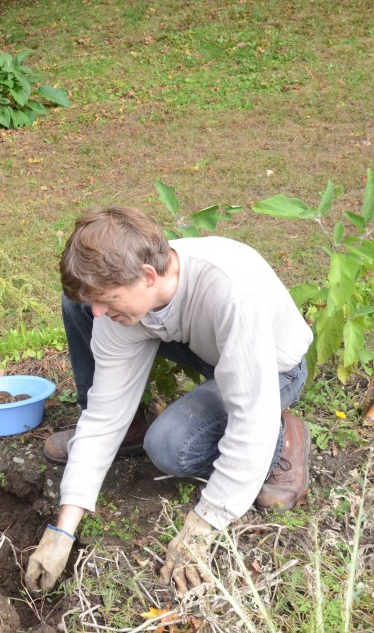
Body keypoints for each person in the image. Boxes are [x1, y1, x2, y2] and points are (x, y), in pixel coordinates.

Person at [24, 207, 313, 595]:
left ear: (146, 276)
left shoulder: (231, 291)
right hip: (212, 350)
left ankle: (285, 433)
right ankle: (141, 427)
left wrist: (205, 523)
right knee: (77, 305)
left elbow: (250, 418)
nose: (98, 313)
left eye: (107, 299)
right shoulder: (131, 296)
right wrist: (62, 530)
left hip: (274, 366)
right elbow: (104, 414)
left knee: (171, 447)